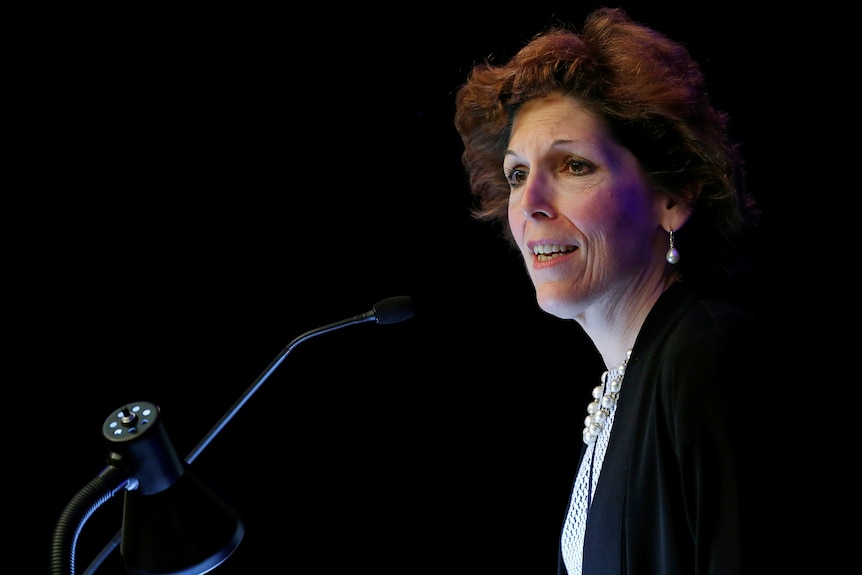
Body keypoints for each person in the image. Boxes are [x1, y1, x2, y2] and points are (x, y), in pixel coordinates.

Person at [454, 7, 767, 575]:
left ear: (673, 196)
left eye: (573, 165)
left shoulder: (706, 354)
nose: (529, 203)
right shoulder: (633, 381)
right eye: (518, 174)